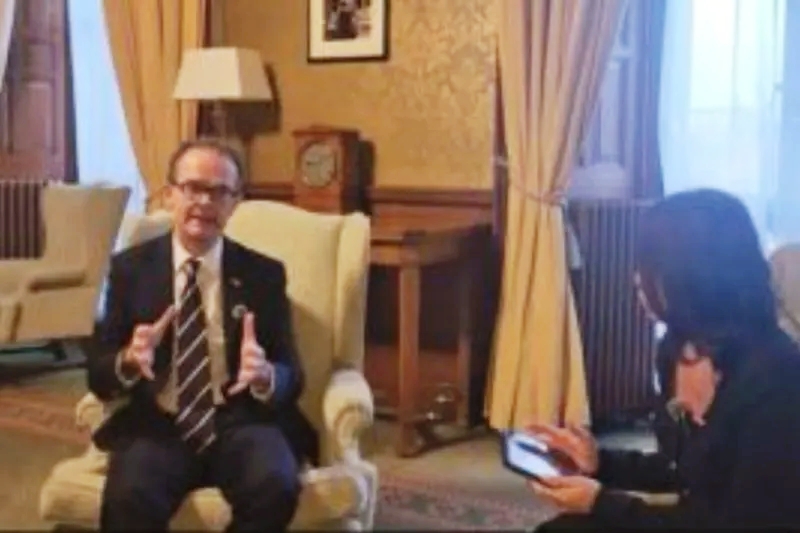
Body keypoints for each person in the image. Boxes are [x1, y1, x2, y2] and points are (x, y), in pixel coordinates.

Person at [531, 188, 800, 529]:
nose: (637, 279)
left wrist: (602, 503)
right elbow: (686, 468)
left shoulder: (778, 378)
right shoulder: (676, 351)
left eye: (651, 265)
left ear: (694, 274)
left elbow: (742, 522)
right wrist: (600, 462)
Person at [87, 138, 317, 532]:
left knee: (275, 485)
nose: (205, 202)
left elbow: (291, 373)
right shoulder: (130, 270)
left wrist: (266, 376)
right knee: (128, 498)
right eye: (193, 188)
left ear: (235, 202)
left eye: (220, 191)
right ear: (170, 194)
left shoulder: (264, 274)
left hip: (241, 419)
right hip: (159, 421)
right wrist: (127, 360)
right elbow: (97, 374)